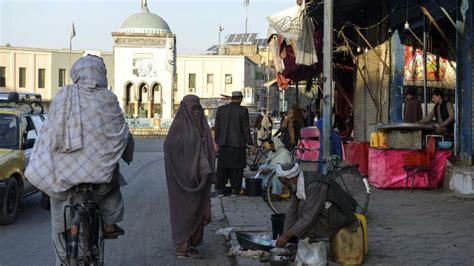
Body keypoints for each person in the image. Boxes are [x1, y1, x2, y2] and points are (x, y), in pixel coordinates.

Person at [25, 55, 134, 264]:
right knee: (112, 186)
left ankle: (63, 259)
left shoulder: (63, 96)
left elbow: (48, 134)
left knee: (58, 210)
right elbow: (122, 134)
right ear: (101, 74)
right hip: (99, 180)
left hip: (65, 179)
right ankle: (110, 224)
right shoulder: (108, 99)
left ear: (76, 74)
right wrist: (126, 155)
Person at [164, 95, 215, 259]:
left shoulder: (203, 128)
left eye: (198, 109)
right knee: (182, 212)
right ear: (184, 110)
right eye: (193, 109)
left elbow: (209, 152)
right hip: (181, 181)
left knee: (199, 210)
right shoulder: (176, 131)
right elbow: (170, 148)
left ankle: (191, 244)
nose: (196, 112)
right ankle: (182, 247)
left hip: (200, 179)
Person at [274, 163, 358, 248]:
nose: (283, 186)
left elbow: (309, 217)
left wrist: (287, 236)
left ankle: (308, 242)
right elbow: (292, 211)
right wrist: (285, 234)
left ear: (292, 178)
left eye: (284, 183)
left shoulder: (314, 185)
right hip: (327, 210)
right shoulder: (297, 183)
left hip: (341, 215)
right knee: (301, 207)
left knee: (303, 207)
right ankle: (306, 242)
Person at [214, 91, 255, 197]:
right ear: (240, 98)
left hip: (223, 143)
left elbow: (217, 127)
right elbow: (245, 129)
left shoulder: (221, 110)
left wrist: (217, 141)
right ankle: (234, 191)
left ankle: (221, 190)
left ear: (232, 98)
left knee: (222, 167)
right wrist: (251, 143)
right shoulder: (243, 110)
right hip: (238, 144)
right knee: (237, 168)